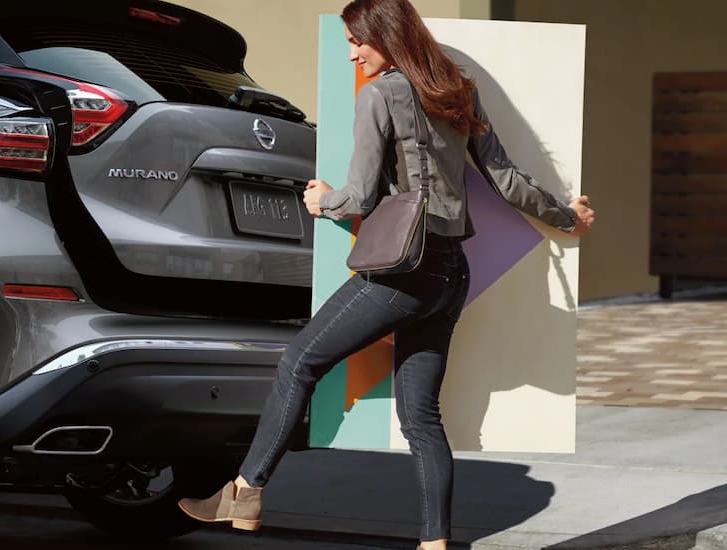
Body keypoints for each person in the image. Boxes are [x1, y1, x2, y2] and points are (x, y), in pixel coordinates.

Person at [176, 0, 596, 548]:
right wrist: (567, 217)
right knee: (421, 416)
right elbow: (506, 179)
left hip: (402, 272)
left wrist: (323, 201)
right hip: (452, 274)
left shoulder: (379, 95)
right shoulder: (458, 90)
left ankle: (246, 490)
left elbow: (361, 196)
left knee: (300, 362)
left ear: (386, 35)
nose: (352, 54)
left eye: (358, 42)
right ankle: (434, 542)